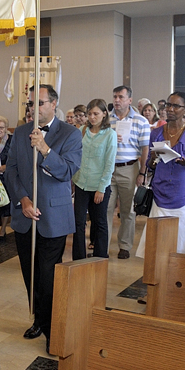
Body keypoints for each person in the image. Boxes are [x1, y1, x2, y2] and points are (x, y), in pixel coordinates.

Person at [6, 84, 81, 353]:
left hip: (54, 216)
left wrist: (46, 150)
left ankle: (52, 329)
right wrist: (23, 199)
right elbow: (12, 169)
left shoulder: (71, 133)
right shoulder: (21, 132)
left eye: (39, 103)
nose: (33, 108)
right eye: (30, 103)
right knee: (30, 272)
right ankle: (38, 318)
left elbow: (68, 171)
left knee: (48, 276)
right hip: (26, 214)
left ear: (53, 103)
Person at [136, 92, 185, 256]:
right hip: (161, 192)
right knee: (158, 244)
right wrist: (153, 158)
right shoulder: (156, 133)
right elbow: (151, 165)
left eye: (176, 106)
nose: (170, 109)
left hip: (183, 193)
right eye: (168, 105)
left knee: (183, 242)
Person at [107, 85, 150, 259]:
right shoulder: (107, 120)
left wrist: (142, 172)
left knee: (128, 210)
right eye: (115, 97)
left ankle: (124, 245)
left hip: (129, 168)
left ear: (130, 100)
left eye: (121, 97)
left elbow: (145, 148)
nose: (117, 100)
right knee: (105, 209)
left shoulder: (140, 121)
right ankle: (102, 245)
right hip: (108, 169)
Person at [72, 99, 117, 259]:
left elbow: (109, 163)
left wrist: (101, 188)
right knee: (78, 223)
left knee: (99, 223)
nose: (92, 117)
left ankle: (100, 258)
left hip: (99, 185)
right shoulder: (82, 131)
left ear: (104, 114)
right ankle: (78, 258)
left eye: (96, 114)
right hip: (81, 183)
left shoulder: (110, 134)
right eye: (89, 114)